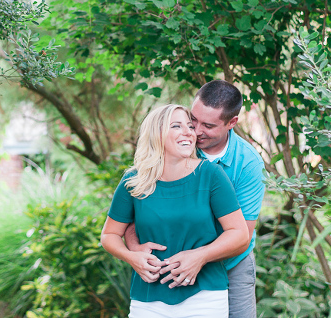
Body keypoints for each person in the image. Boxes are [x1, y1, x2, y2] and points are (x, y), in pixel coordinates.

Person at [126, 80, 266, 318]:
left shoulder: (249, 165)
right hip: (169, 267)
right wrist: (135, 249)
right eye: (194, 119)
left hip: (231, 263)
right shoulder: (176, 144)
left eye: (208, 125)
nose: (196, 131)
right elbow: (136, 212)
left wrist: (200, 256)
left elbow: (241, 237)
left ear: (232, 123)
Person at [100, 104, 248, 318]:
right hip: (147, 299)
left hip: (204, 297)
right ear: (157, 134)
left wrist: (201, 256)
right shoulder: (134, 181)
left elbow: (240, 234)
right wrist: (131, 256)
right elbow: (109, 235)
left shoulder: (211, 175)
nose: (189, 132)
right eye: (177, 126)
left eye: (190, 126)